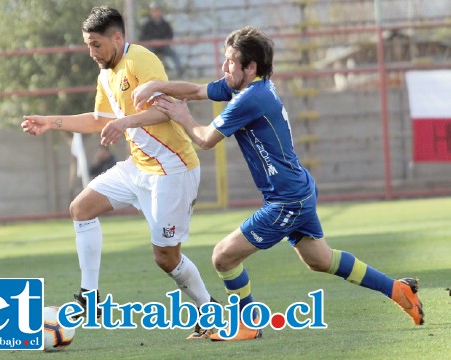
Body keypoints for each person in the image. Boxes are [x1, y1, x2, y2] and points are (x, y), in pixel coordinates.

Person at [131, 26, 424, 341]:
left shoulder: (249, 99)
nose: (224, 68)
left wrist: (181, 116)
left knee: (223, 257)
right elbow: (198, 90)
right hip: (298, 190)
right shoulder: (251, 88)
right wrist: (160, 85)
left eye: (230, 62)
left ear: (250, 67)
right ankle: (397, 290)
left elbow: (204, 139)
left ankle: (247, 325)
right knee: (320, 260)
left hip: (286, 200)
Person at [21, 6, 215, 339]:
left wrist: (124, 121)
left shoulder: (140, 59)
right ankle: (89, 296)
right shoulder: (106, 75)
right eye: (87, 45)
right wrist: (51, 122)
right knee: (81, 208)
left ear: (117, 38)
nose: (91, 52)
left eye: (96, 44)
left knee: (166, 258)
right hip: (137, 168)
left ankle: (209, 310)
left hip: (172, 170)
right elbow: (99, 119)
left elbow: (165, 110)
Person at [139, 2, 183, 76]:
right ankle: (145, 73)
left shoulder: (165, 24)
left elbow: (170, 35)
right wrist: (152, 41)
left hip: (163, 46)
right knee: (146, 55)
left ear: (160, 11)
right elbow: (142, 37)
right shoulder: (147, 24)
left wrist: (163, 41)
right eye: (153, 11)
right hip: (151, 47)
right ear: (151, 12)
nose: (156, 13)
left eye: (157, 10)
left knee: (173, 54)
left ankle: (180, 72)